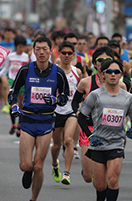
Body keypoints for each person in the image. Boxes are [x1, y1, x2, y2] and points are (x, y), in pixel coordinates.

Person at [8, 36, 69, 201]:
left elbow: (65, 97)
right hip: (27, 121)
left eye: (45, 49)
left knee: (38, 166)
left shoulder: (58, 73)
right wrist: (14, 106)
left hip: (46, 122)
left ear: (50, 51)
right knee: (26, 165)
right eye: (38, 49)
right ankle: (27, 171)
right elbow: (12, 92)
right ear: (33, 51)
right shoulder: (25, 70)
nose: (41, 52)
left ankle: (33, 199)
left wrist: (56, 100)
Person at [78, 59, 132, 201]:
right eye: (109, 72)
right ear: (103, 75)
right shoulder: (95, 95)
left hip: (116, 143)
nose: (113, 75)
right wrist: (90, 135)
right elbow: (81, 117)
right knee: (100, 185)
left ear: (121, 74)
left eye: (116, 72)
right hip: (97, 144)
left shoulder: (128, 97)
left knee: (112, 179)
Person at [72, 47, 127, 183]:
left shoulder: (121, 85)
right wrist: (78, 112)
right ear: (95, 64)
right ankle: (87, 170)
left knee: (110, 175)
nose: (103, 63)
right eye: (100, 60)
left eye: (107, 60)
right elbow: (74, 102)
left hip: (112, 131)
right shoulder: (86, 83)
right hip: (90, 130)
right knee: (88, 177)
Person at [50, 41, 82, 185]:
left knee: (68, 140)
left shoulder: (77, 72)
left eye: (70, 53)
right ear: (59, 54)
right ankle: (55, 164)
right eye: (64, 53)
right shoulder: (53, 71)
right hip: (56, 111)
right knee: (57, 145)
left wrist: (80, 106)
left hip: (71, 111)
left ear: (74, 55)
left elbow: (81, 91)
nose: (67, 56)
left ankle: (67, 173)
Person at [0, 36, 29, 129]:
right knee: (13, 103)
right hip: (12, 80)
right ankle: (13, 124)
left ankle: (19, 123)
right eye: (19, 47)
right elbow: (6, 68)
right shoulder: (10, 56)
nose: (21, 49)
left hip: (22, 82)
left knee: (21, 104)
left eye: (23, 47)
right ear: (16, 46)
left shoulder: (26, 57)